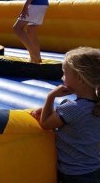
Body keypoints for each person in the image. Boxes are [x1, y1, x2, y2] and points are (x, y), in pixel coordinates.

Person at [31, 47, 100, 182]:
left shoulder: (72, 108)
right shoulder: (94, 105)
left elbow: (45, 124)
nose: (62, 78)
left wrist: (51, 97)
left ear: (79, 78)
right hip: (94, 168)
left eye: (65, 74)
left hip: (75, 173)